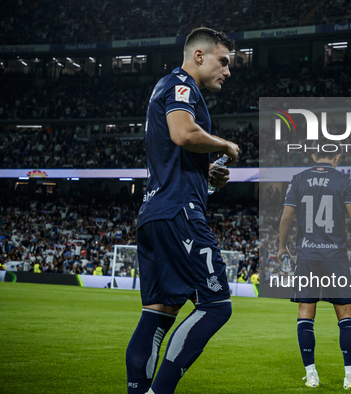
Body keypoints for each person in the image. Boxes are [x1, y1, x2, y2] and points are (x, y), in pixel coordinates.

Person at [126, 27, 240, 394]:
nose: (227, 71)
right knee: (217, 305)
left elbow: (169, 152)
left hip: (153, 214)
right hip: (179, 213)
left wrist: (206, 172)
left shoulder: (165, 87)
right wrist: (225, 143)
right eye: (223, 62)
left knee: (158, 314)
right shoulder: (181, 85)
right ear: (200, 56)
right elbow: (182, 133)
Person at [276, 146, 351, 390]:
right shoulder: (345, 180)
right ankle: (350, 378)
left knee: (305, 313)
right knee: (345, 313)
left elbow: (286, 218)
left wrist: (282, 247)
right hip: (335, 257)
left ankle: (311, 376)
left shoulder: (297, 180)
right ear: (338, 157)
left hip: (306, 256)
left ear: (314, 157)